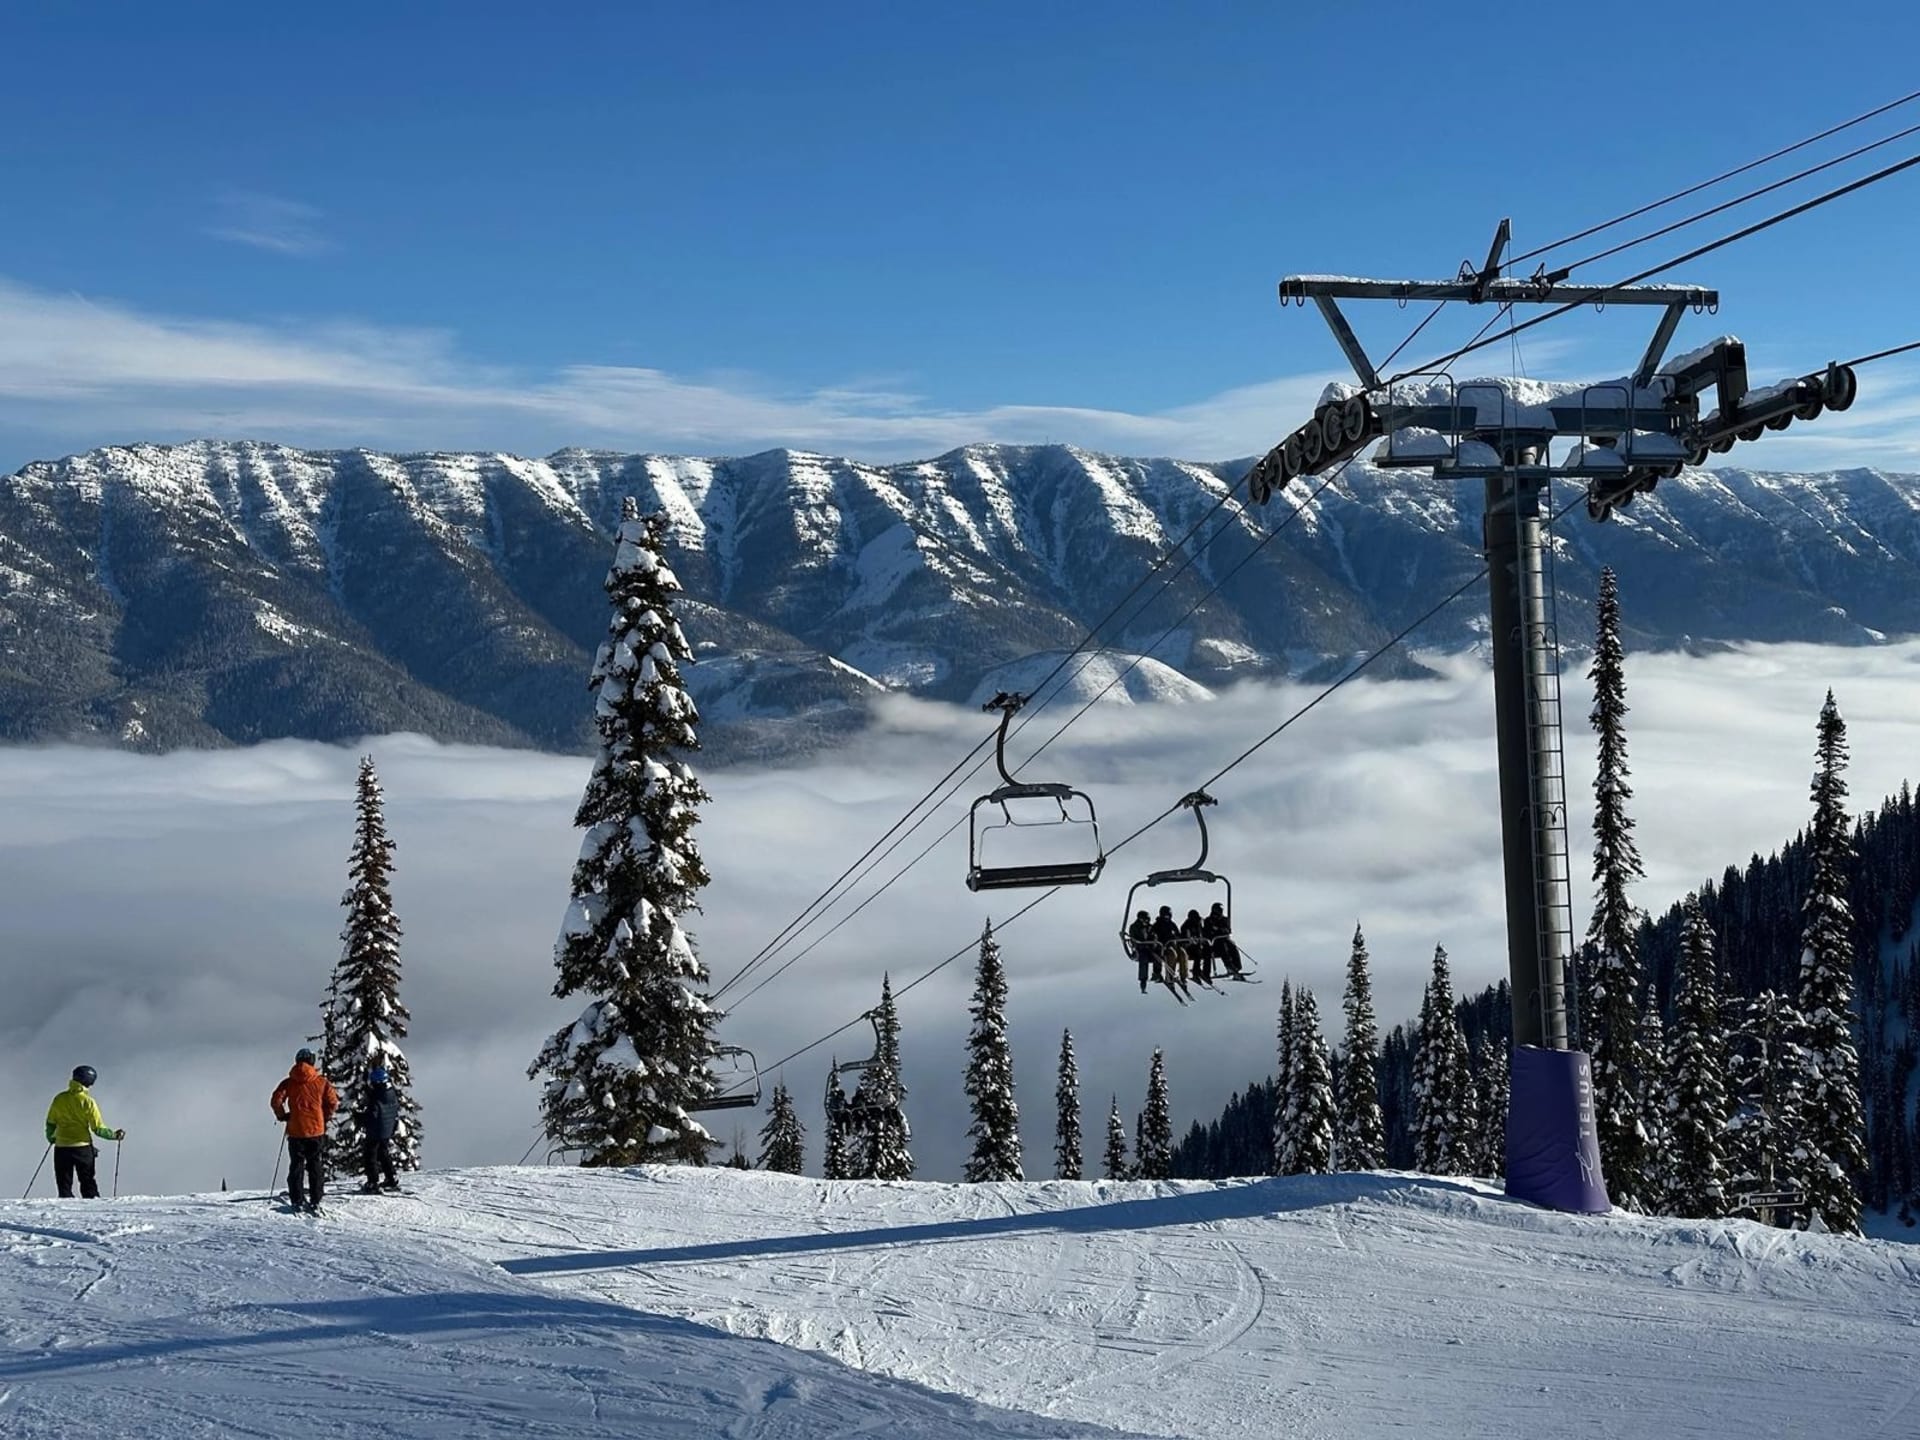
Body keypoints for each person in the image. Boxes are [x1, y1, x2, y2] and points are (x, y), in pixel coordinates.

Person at [271, 1047, 339, 1213]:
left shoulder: (288, 1082)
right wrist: (324, 1117)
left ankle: (297, 1199)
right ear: (312, 1062)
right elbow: (333, 1102)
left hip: (295, 1130)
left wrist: (283, 1116)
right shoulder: (321, 1082)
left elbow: (276, 1101)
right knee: (315, 1164)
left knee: (296, 1164)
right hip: (316, 1130)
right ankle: (316, 1198)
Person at [44, 1065, 124, 1200]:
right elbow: (98, 1129)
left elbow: (50, 1122)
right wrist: (115, 1135)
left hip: (61, 1147)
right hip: (82, 1148)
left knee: (64, 1185)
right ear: (90, 1082)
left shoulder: (59, 1098)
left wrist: (52, 1138)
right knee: (87, 1183)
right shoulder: (88, 1102)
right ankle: (92, 1213)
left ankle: (64, 1215)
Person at [358, 1064, 402, 1194]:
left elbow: (372, 1115)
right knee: (383, 1153)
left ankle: (373, 1182)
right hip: (387, 1129)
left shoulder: (376, 1096)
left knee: (370, 1155)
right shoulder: (390, 1092)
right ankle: (391, 1177)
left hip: (376, 1130)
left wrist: (360, 1117)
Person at [1152, 905, 1190, 997]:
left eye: (1168, 915)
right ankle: (1170, 976)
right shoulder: (1157, 925)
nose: (1167, 917)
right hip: (1165, 947)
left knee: (1183, 953)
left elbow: (1178, 935)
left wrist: (1181, 941)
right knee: (1172, 954)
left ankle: (1184, 976)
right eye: (1165, 916)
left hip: (1175, 945)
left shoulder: (1172, 925)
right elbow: (1154, 936)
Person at [1203, 902, 1243, 978]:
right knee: (1223, 947)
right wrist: (1217, 931)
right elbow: (1207, 931)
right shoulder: (1208, 920)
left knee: (1233, 947)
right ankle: (1229, 966)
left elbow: (1227, 930)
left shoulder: (1224, 919)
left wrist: (1218, 930)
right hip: (1214, 943)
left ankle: (1237, 967)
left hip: (1224, 940)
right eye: (1219, 910)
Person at [1126, 909, 1159, 993]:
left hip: (1150, 948)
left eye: (1148, 919)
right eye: (1145, 919)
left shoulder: (1150, 927)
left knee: (1158, 955)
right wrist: (1140, 944)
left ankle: (1157, 973)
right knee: (1144, 959)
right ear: (1140, 919)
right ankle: (1143, 981)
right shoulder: (1134, 927)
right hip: (1140, 949)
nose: (1146, 921)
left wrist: (1154, 942)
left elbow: (1154, 935)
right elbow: (1133, 939)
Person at [1180, 908, 1211, 985]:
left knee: (1208, 951)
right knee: (1198, 953)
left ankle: (1206, 973)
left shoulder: (1199, 925)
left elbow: (1203, 935)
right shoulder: (1186, 926)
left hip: (1198, 946)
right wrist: (1192, 941)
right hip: (1189, 948)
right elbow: (1187, 938)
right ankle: (1195, 973)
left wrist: (1202, 941)